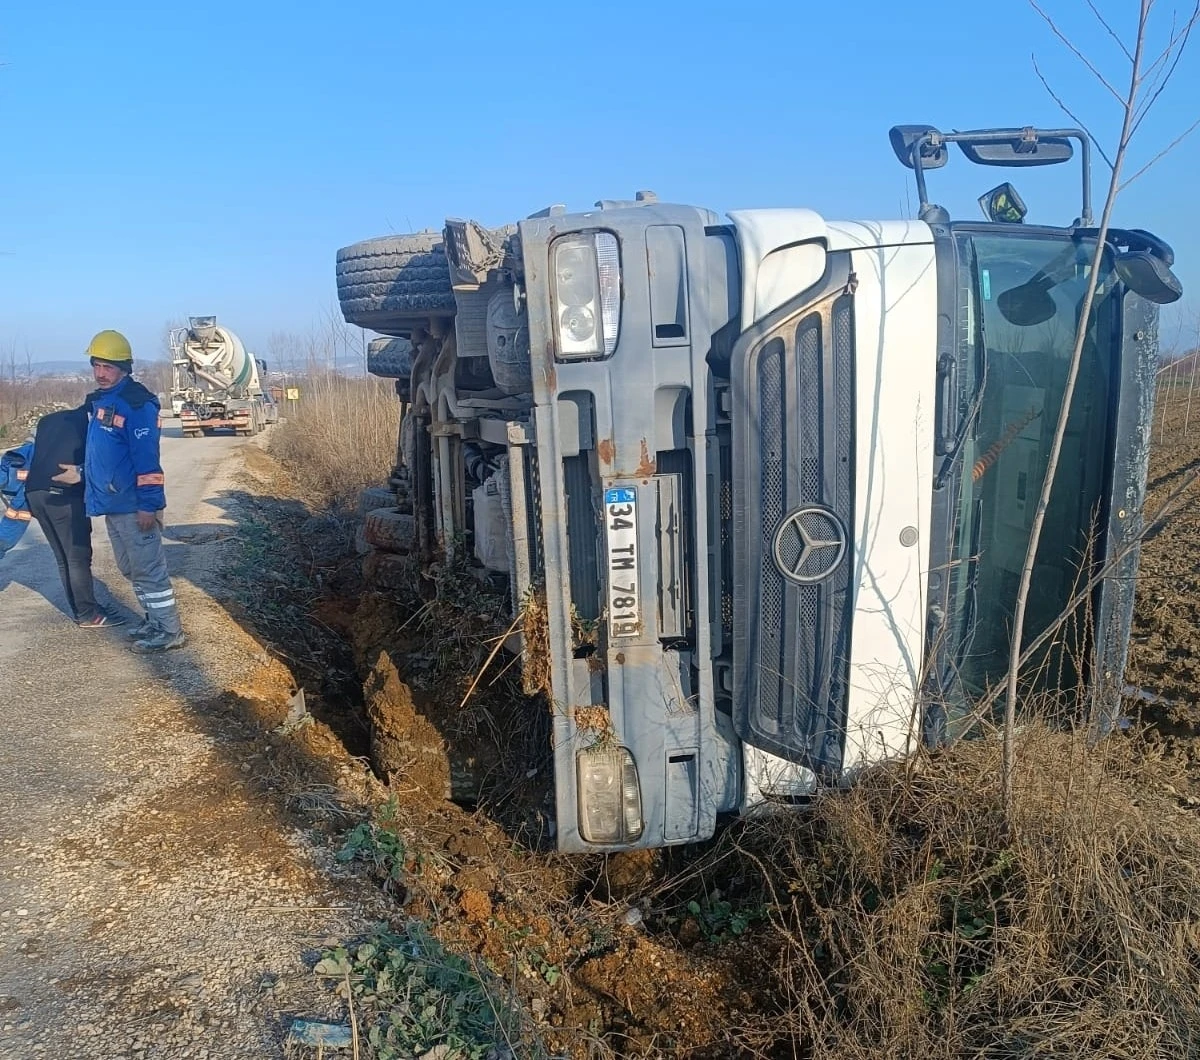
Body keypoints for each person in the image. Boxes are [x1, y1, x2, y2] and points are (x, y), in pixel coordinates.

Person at [53, 329, 186, 653]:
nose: (100, 373)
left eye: (107, 367)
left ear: (124, 367)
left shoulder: (135, 404)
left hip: (133, 505)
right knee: (130, 568)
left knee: (148, 569)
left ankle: (170, 631)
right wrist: (82, 472)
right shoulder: (103, 402)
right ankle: (154, 620)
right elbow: (106, 455)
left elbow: (147, 460)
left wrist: (149, 505)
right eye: (96, 366)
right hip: (113, 503)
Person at [24, 402, 125, 627]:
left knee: (63, 558)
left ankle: (84, 609)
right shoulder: (91, 424)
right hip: (62, 493)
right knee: (77, 556)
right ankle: (89, 614)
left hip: (34, 492)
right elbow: (99, 458)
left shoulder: (47, 420)